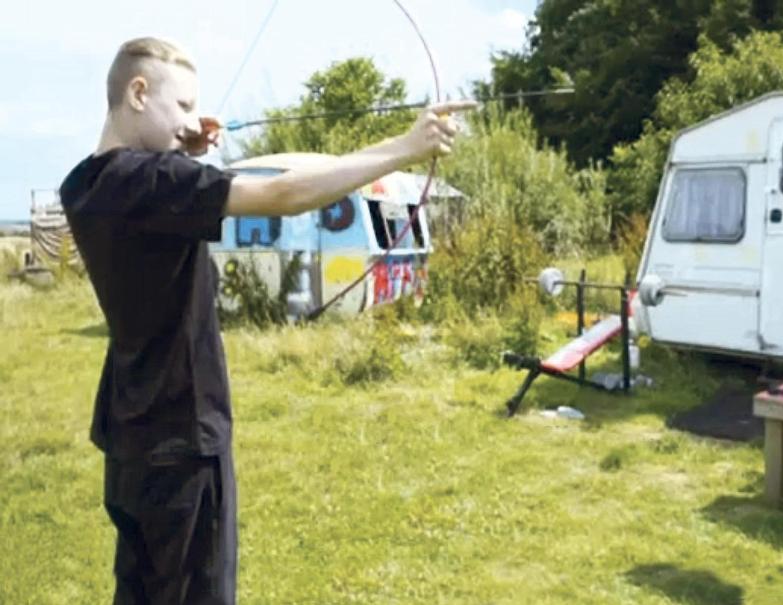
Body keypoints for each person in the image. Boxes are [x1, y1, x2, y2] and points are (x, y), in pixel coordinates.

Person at [59, 36, 475, 604]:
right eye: (181, 106)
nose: (190, 120)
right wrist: (407, 146)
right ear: (138, 92)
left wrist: (187, 152)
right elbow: (283, 192)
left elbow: (200, 193)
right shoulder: (151, 183)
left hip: (130, 438)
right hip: (182, 441)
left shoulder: (85, 183)